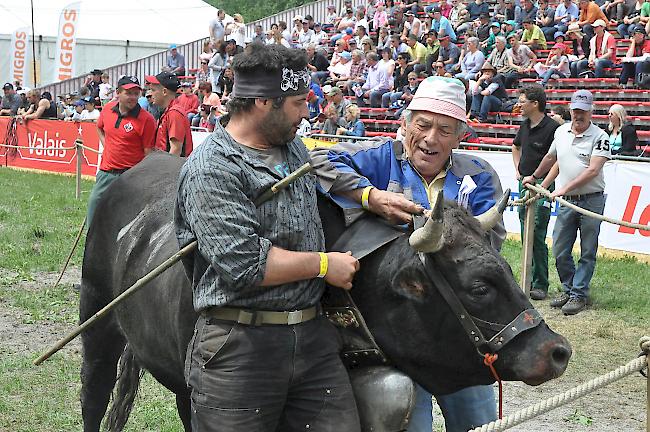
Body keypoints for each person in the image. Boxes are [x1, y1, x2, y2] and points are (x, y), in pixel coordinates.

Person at [175, 42, 361, 431]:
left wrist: (369, 195)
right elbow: (244, 264)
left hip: (313, 341)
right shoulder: (211, 169)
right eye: (297, 103)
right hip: (241, 348)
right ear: (263, 103)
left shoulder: (290, 146)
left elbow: (320, 165)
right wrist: (324, 264)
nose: (306, 113)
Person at [310, 76, 503, 432]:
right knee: (410, 424)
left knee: (479, 424)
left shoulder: (479, 176)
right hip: (396, 335)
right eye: (423, 124)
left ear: (460, 136)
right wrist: (371, 197)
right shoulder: (380, 159)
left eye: (445, 129)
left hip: (458, 333)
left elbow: (488, 254)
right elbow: (318, 160)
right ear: (405, 124)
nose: (431, 138)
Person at [522, 90, 611, 316]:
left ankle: (579, 294)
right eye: (575, 110)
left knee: (587, 250)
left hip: (591, 201)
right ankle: (570, 288)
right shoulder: (561, 132)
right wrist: (537, 178)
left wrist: (561, 189)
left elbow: (593, 170)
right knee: (560, 248)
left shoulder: (600, 137)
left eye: (583, 111)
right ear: (570, 110)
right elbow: (553, 160)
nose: (578, 115)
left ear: (590, 111)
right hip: (566, 202)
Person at [86, 76, 156, 225]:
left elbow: (148, 153)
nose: (133, 97)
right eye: (128, 93)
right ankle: (92, 246)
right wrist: (107, 146)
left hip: (130, 176)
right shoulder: (106, 110)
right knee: (93, 212)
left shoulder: (147, 120)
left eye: (136, 93)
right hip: (106, 173)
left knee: (127, 220)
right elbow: (99, 127)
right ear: (118, 92)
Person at [511, 85, 560, 300]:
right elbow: (515, 147)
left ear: (535, 104)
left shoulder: (552, 128)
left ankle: (540, 283)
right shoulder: (524, 125)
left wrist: (543, 183)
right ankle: (526, 279)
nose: (519, 105)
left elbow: (556, 159)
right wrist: (518, 170)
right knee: (525, 231)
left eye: (523, 101)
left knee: (538, 232)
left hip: (542, 185)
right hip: (525, 184)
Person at [146, 72, 194, 157]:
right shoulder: (168, 111)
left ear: (164, 92)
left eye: (153, 90)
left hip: (172, 168)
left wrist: (165, 170)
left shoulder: (174, 113)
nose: (150, 94)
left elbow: (175, 150)